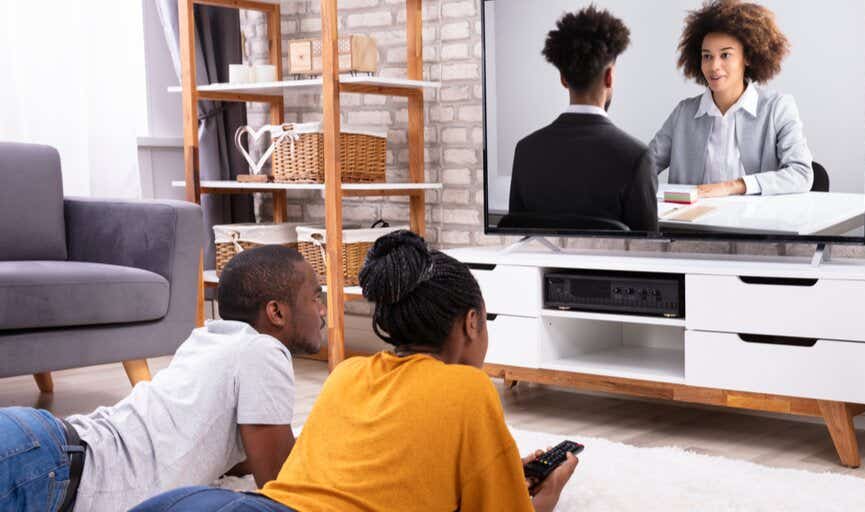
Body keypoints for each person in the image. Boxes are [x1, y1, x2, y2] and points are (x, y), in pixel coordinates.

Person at [132, 230, 579, 512]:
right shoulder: (469, 389)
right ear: (471, 322)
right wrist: (548, 496)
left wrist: (491, 469)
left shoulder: (347, 373)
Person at [0, 245, 325, 511]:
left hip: (44, 448)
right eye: (316, 297)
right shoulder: (264, 351)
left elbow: (224, 455)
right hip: (46, 470)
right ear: (276, 312)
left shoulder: (208, 340)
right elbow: (281, 487)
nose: (322, 310)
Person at [508, 5, 658, 232]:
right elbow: (650, 253)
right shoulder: (637, 157)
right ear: (609, 77)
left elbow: (519, 239)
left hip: (542, 268)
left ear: (563, 79)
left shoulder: (525, 151)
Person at [649, 0, 813, 198]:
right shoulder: (684, 113)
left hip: (755, 226)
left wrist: (732, 186)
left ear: (748, 57)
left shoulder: (777, 108)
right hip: (690, 226)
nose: (714, 66)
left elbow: (802, 174)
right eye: (707, 56)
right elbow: (645, 166)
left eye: (725, 55)